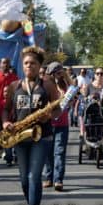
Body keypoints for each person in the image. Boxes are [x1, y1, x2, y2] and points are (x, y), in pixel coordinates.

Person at [2, 46, 60, 205]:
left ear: (39, 65)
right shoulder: (14, 86)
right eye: (26, 63)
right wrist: (6, 122)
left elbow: (58, 110)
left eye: (33, 63)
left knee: (33, 177)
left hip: (41, 136)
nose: (29, 66)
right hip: (20, 136)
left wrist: (49, 115)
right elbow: (5, 109)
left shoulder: (48, 85)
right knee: (24, 180)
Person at [42, 62, 73, 191]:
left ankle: (58, 180)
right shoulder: (46, 86)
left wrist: (65, 76)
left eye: (59, 72)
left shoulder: (66, 86)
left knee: (59, 151)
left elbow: (72, 95)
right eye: (55, 72)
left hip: (62, 123)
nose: (58, 75)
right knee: (48, 152)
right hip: (48, 123)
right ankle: (49, 177)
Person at [0, 58, 19, 164]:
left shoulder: (14, 78)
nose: (6, 65)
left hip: (11, 109)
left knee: (12, 131)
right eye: (3, 63)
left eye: (7, 63)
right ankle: (2, 148)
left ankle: (12, 154)